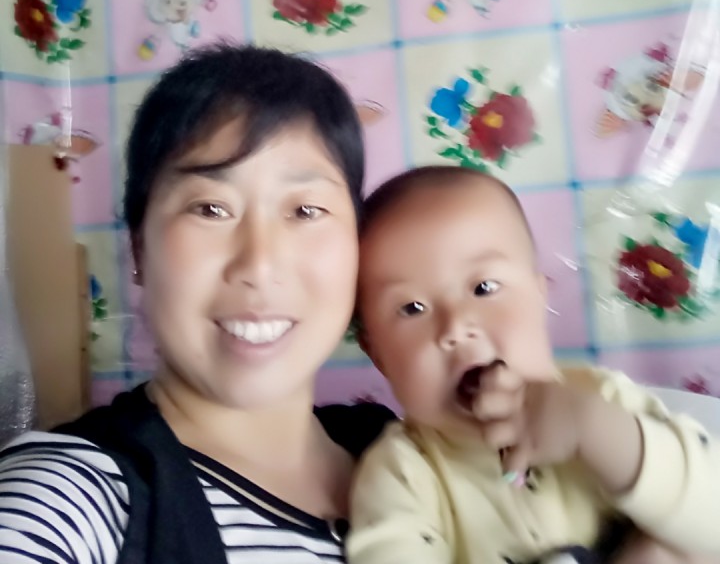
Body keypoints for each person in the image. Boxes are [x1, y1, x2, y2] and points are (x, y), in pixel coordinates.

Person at [0, 43, 395, 564]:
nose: (259, 263)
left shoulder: (410, 454)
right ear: (139, 248)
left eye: (305, 210)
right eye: (210, 209)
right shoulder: (72, 498)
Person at [347, 165, 720, 564]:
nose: (456, 326)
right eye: (412, 308)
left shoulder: (604, 399)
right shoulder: (402, 475)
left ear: (539, 296)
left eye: (484, 288)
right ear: (378, 354)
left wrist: (594, 430)